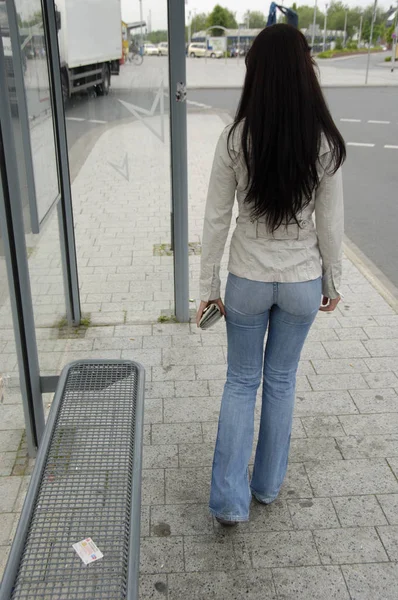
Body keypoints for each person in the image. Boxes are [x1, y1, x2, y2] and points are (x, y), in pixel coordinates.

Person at [196, 24, 346, 526]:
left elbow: (216, 219)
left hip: (248, 279)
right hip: (302, 280)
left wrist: (206, 290)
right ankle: (266, 488)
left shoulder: (236, 137)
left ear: (256, 73)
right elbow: (332, 222)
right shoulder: (323, 141)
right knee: (281, 381)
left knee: (241, 381)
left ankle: (228, 503)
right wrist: (333, 282)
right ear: (307, 73)